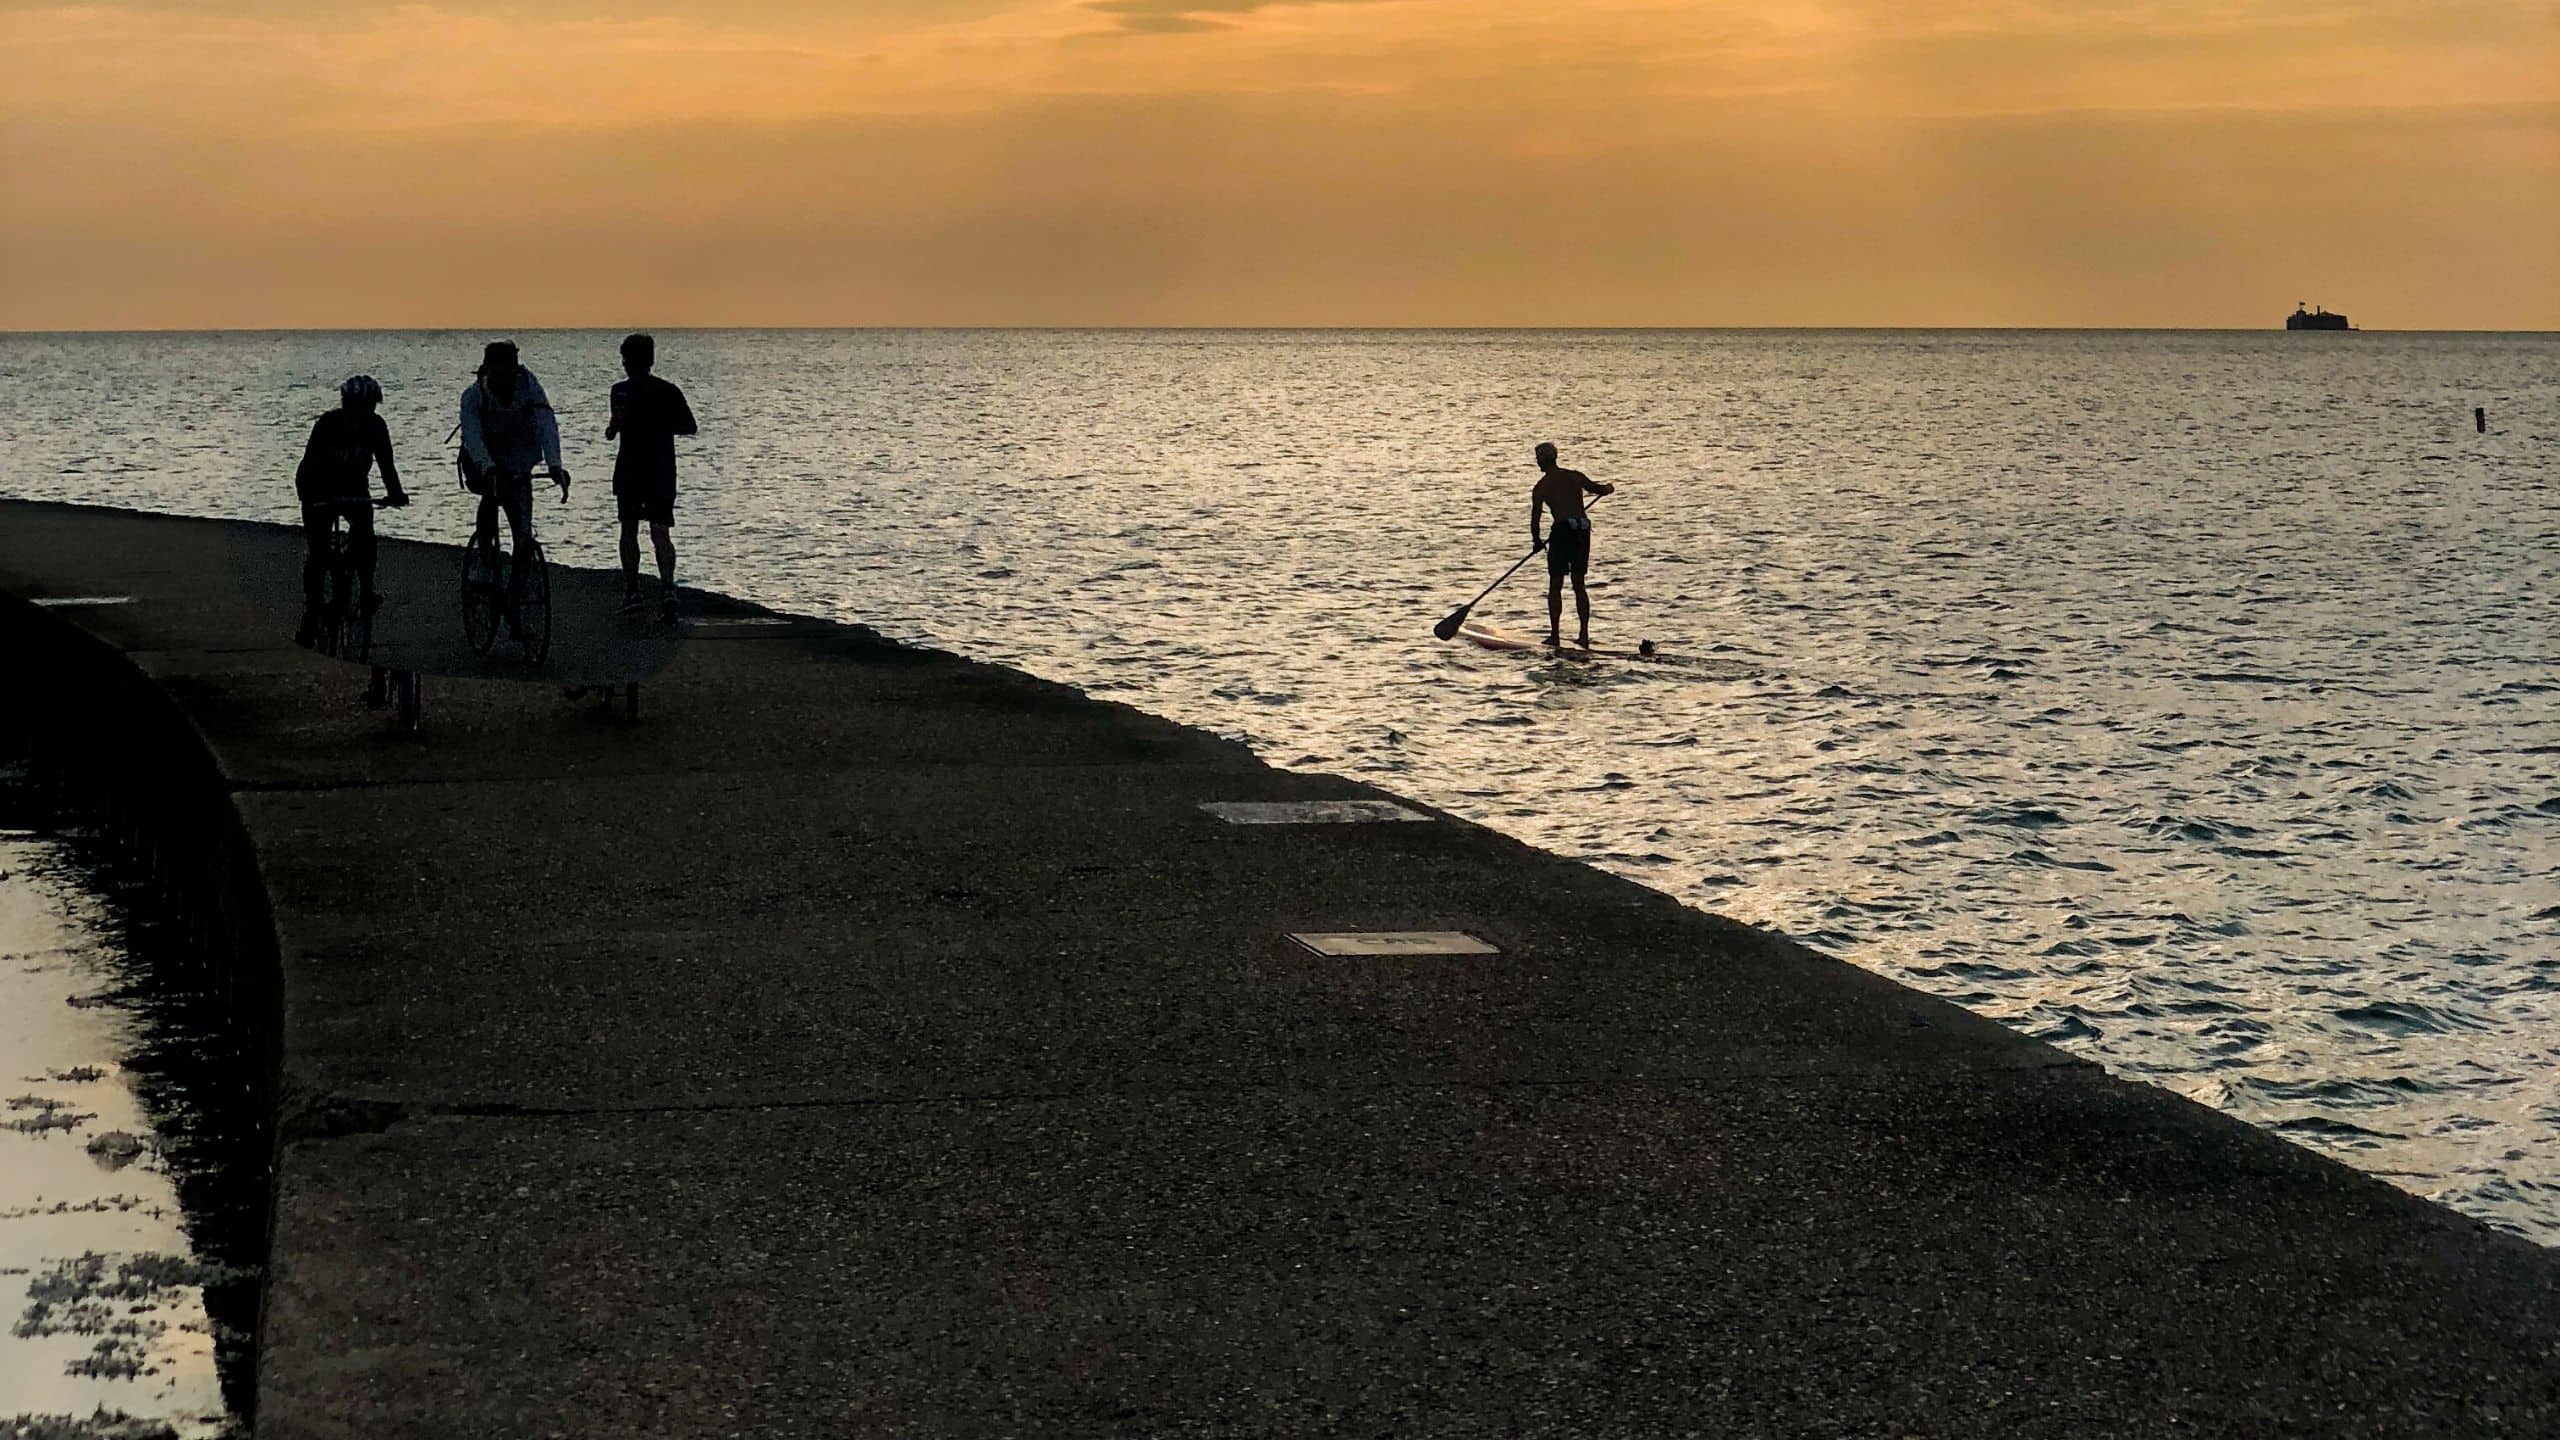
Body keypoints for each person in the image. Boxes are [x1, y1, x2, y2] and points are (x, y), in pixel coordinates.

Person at [294, 374, 408, 647]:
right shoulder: (327, 425)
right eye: (357, 406)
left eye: (368, 407)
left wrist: (395, 493)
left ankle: (366, 591)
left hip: (355, 488)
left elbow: (386, 464)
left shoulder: (377, 427)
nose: (363, 413)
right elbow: (310, 466)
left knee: (366, 539)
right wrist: (312, 499)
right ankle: (312, 611)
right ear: (345, 404)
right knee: (319, 553)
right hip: (317, 487)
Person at [458, 340, 569, 613]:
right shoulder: (473, 396)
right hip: (482, 459)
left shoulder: (531, 389)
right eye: (497, 371)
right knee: (491, 495)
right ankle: (484, 558)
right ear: (487, 370)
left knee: (523, 535)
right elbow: (472, 436)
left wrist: (555, 464)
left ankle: (515, 595)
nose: (503, 377)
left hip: (519, 460)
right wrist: (488, 467)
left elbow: (546, 425)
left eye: (508, 370)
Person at [604, 333, 697, 619]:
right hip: (660, 469)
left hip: (631, 468)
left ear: (627, 361)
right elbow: (689, 426)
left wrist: (623, 425)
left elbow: (611, 432)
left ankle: (633, 592)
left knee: (629, 529)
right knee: (660, 531)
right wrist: (660, 425)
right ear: (651, 360)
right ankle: (668, 589)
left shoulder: (619, 391)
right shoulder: (668, 391)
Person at [1528, 441, 1614, 648]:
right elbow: (1598, 489)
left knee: (1556, 584)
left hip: (1562, 532)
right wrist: (1609, 488)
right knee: (1579, 584)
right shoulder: (1575, 476)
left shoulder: (1541, 487)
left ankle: (1555, 635)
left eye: (1538, 459)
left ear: (1543, 460)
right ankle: (1583, 635)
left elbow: (1535, 518)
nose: (1537, 462)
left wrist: (1537, 541)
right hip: (1582, 531)